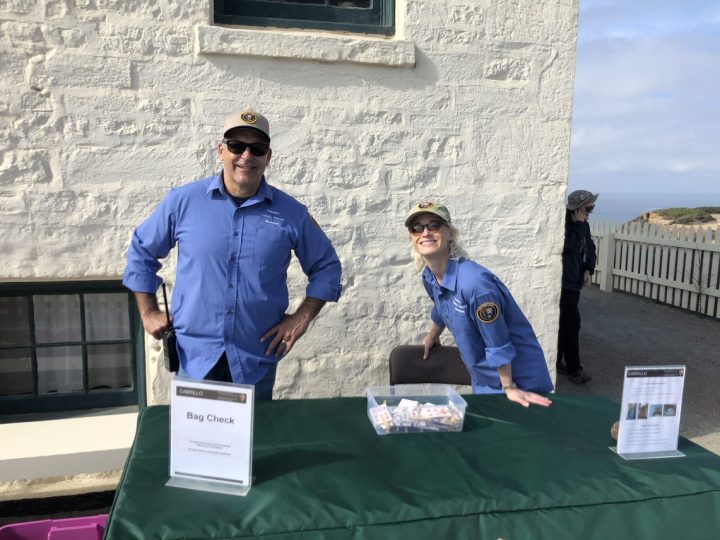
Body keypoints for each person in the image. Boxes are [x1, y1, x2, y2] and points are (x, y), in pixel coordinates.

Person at [123, 110, 342, 399]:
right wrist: (148, 311)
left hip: (254, 363)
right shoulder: (183, 202)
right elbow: (141, 250)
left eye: (257, 148)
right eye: (237, 146)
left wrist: (302, 318)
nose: (246, 156)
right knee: (198, 444)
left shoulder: (292, 214)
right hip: (195, 360)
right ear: (221, 150)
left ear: (268, 156)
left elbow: (327, 266)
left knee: (254, 443)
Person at [406, 199, 553, 408]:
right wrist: (432, 336)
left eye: (434, 225)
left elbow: (497, 341)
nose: (425, 233)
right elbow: (441, 307)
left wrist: (509, 387)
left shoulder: (475, 284)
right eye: (417, 228)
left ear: (450, 234)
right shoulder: (430, 276)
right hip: (484, 378)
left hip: (517, 382)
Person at [556, 189, 598, 385]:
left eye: (592, 207)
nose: (590, 211)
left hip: (574, 283)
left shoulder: (583, 226)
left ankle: (557, 362)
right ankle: (574, 369)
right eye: (588, 207)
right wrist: (579, 226)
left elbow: (589, 248)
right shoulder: (564, 224)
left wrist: (588, 269)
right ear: (577, 208)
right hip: (563, 283)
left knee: (566, 324)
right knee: (571, 324)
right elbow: (568, 247)